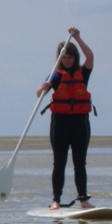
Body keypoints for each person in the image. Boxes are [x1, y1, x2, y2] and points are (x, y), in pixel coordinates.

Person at [36, 27, 95, 210]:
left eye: (70, 57)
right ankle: (56, 200)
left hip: (80, 123)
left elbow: (90, 57)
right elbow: (39, 94)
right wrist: (43, 88)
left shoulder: (83, 72)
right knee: (59, 162)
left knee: (80, 162)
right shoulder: (55, 75)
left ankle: (83, 199)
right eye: (64, 57)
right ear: (60, 58)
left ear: (74, 57)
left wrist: (78, 38)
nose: (67, 60)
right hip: (60, 123)